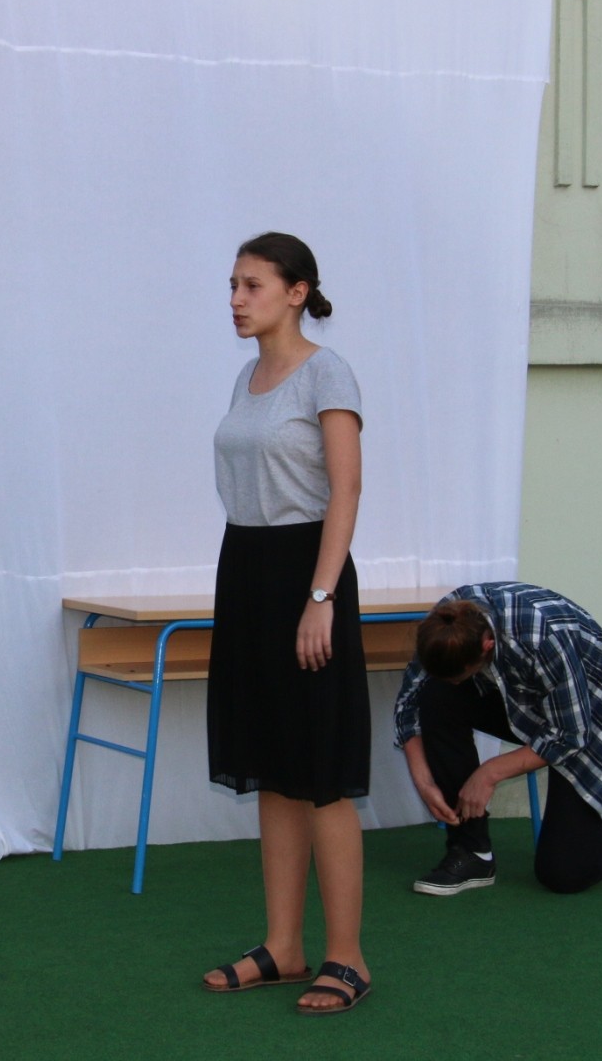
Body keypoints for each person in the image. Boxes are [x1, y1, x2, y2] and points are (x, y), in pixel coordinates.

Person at [199, 232, 372, 1014]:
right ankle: (283, 946)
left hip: (308, 573)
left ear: (297, 292)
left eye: (253, 285)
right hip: (246, 572)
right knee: (273, 766)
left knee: (320, 774)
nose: (237, 299)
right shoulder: (247, 376)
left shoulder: (327, 372)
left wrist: (321, 597)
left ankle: (347, 957)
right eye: (233, 285)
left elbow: (346, 490)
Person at [394, 581, 602, 897]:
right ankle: (472, 852)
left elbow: (571, 734)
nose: (454, 682)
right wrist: (424, 782)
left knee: (565, 873)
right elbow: (410, 704)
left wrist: (488, 773)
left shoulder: (543, 635)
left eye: (460, 676)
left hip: (598, 714)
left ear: (487, 646)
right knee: (436, 695)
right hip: (530, 705)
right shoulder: (446, 623)